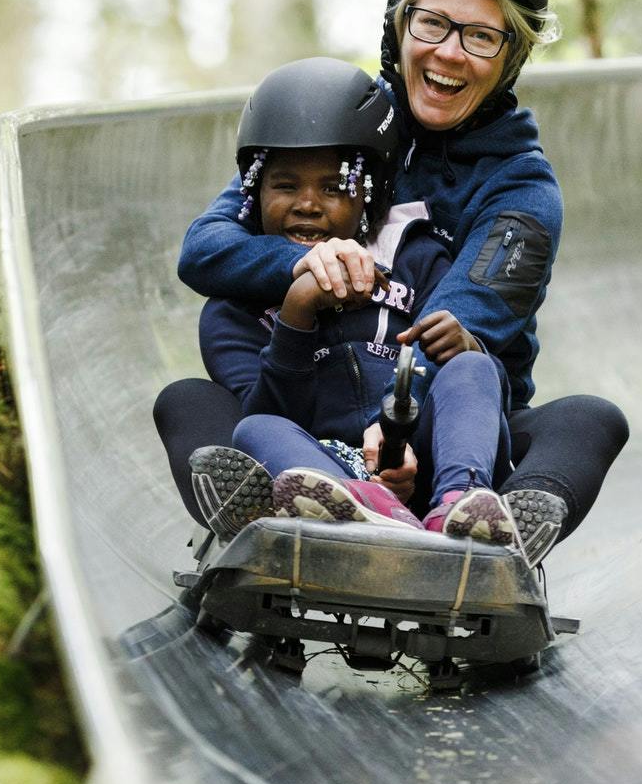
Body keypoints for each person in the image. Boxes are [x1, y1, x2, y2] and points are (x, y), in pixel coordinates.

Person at [156, 0, 628, 564]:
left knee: (588, 418)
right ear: (399, 27)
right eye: (432, 24)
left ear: (510, 56)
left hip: (446, 431)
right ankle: (272, 513)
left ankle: (489, 530)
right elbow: (205, 248)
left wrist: (393, 429)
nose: (450, 52)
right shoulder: (341, 124)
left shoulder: (523, 190)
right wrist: (312, 262)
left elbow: (457, 323)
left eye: (482, 37)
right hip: (307, 416)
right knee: (188, 401)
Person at [181, 57, 523, 543]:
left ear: (370, 198)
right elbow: (278, 412)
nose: (307, 203)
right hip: (321, 470)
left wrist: (461, 353)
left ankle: (461, 507)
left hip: (425, 457)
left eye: (335, 186)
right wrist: (297, 311)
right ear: (253, 194)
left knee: (474, 368)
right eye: (284, 186)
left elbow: (469, 390)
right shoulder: (231, 312)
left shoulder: (417, 260)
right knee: (255, 429)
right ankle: (361, 512)